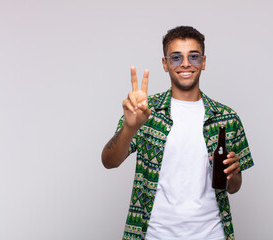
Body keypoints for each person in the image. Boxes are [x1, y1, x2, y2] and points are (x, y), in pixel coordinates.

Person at [101, 26, 254, 240]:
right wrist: (130, 127)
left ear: (203, 61)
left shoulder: (226, 118)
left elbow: (234, 188)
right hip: (155, 234)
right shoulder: (146, 111)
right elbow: (109, 161)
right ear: (165, 64)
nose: (185, 63)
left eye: (193, 56)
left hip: (211, 234)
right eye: (176, 57)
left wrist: (234, 173)